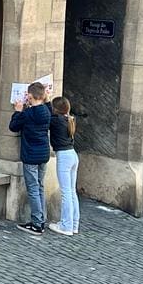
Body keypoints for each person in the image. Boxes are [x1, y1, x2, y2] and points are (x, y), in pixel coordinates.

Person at [9, 82, 52, 234]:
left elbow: (13, 126)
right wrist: (45, 98)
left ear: (30, 96)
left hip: (31, 155)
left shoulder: (28, 114)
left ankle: (36, 224)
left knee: (33, 189)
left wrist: (18, 111)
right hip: (44, 154)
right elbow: (47, 105)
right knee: (40, 186)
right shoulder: (47, 111)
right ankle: (41, 219)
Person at [49, 95, 80, 236]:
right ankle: (74, 224)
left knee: (66, 192)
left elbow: (45, 118)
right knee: (72, 191)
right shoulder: (68, 119)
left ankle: (66, 226)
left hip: (64, 157)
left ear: (55, 109)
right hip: (73, 155)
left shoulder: (55, 120)